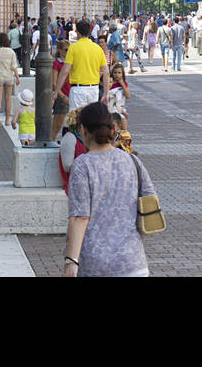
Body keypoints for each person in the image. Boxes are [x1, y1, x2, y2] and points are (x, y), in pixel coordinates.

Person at [63, 102, 156, 278]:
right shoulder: (132, 161)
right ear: (112, 128)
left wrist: (71, 261)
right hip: (133, 261)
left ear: (83, 129)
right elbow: (150, 198)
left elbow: (80, 216)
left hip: (96, 263)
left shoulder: (83, 165)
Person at [53, 20, 108, 113]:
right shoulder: (98, 49)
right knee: (91, 120)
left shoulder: (73, 48)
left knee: (75, 120)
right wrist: (106, 93)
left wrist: (56, 91)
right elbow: (106, 72)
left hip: (78, 90)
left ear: (78, 32)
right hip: (93, 89)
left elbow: (65, 71)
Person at [51, 39, 71, 142]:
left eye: (69, 50)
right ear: (60, 50)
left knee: (71, 126)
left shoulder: (71, 63)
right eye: (66, 50)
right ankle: (50, 143)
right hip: (62, 97)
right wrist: (62, 96)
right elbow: (54, 84)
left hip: (72, 95)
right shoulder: (57, 64)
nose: (68, 52)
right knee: (56, 126)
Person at [108, 62, 131, 132]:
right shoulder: (110, 83)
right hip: (112, 109)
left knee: (124, 131)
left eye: (119, 73)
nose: (117, 75)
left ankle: (123, 142)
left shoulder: (124, 84)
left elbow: (128, 96)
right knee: (113, 130)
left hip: (121, 108)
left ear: (122, 74)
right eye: (115, 72)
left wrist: (122, 84)